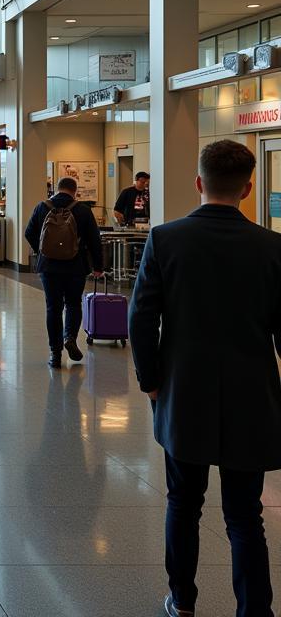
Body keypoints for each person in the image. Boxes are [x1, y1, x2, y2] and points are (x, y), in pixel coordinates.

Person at [129, 140, 281, 617]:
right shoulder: (273, 247)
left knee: (183, 502)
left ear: (198, 183)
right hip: (252, 396)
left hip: (184, 393)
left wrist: (151, 381)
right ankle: (254, 609)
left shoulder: (166, 239)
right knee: (244, 515)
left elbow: (140, 317)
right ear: (249, 188)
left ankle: (184, 600)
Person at [24, 175, 104, 369]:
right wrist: (98, 267)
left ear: (57, 189)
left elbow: (29, 232)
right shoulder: (83, 210)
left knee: (53, 307)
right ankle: (70, 337)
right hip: (75, 266)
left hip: (48, 267)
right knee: (74, 304)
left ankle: (55, 353)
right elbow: (94, 240)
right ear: (75, 191)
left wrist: (42, 251)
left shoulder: (42, 207)